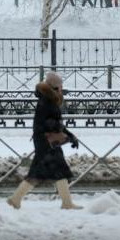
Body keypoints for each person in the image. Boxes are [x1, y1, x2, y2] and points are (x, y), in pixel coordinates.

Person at [6, 72, 82, 210]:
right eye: (59, 85)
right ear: (54, 87)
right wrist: (63, 131)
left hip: (46, 141)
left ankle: (15, 199)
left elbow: (55, 122)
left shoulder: (49, 99)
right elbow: (46, 122)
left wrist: (70, 135)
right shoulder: (46, 101)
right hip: (46, 142)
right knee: (58, 170)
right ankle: (67, 203)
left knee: (40, 172)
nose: (61, 88)